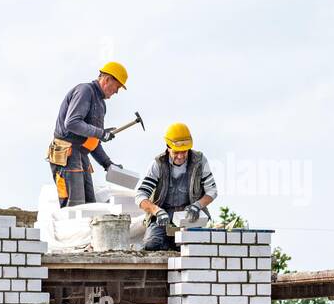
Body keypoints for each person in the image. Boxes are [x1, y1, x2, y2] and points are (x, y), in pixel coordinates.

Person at [48, 62, 128, 207]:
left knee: (89, 206)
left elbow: (94, 140)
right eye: (117, 87)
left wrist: (107, 164)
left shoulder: (101, 104)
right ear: (107, 79)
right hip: (66, 155)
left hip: (80, 156)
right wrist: (101, 133)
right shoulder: (85, 91)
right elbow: (71, 122)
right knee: (74, 206)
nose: (116, 92)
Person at [135, 122, 219, 251]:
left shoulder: (199, 161)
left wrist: (197, 205)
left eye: (184, 152)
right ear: (168, 147)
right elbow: (140, 196)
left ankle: (175, 245)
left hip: (189, 216)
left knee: (192, 249)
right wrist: (156, 211)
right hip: (163, 217)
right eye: (176, 152)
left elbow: (212, 191)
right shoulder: (158, 164)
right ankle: (168, 244)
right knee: (151, 246)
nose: (180, 156)